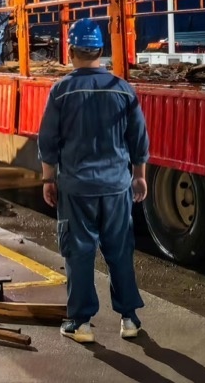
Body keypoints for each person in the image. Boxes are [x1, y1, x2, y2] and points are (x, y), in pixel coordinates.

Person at [37, 18, 149, 344]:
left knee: (79, 253)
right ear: (100, 51)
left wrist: (48, 179)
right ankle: (129, 319)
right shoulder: (123, 89)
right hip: (116, 187)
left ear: (71, 51)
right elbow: (138, 138)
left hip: (77, 188)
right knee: (120, 251)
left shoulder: (61, 91)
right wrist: (139, 176)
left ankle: (81, 323)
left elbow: (48, 140)